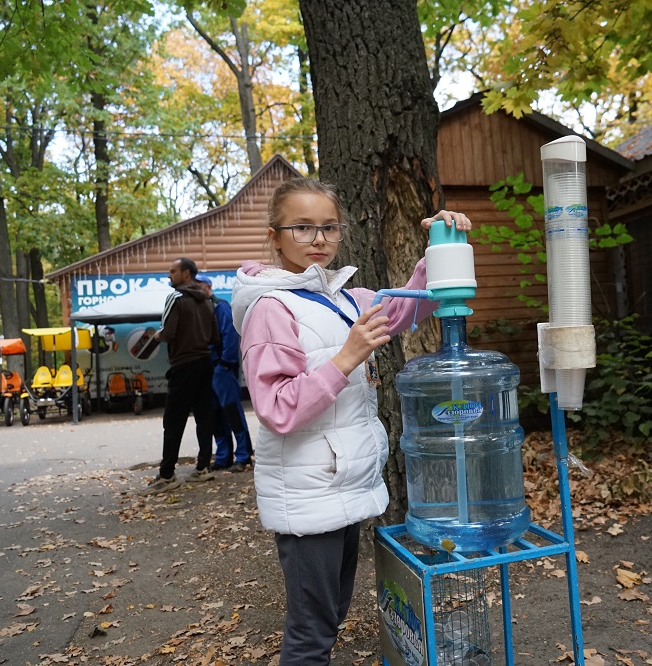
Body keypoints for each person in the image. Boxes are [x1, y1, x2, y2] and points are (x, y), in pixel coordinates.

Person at [230, 177, 471, 665]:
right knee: (311, 633)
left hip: (343, 485)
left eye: (329, 227)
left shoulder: (346, 298)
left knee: (331, 615)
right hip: (308, 497)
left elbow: (406, 306)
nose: (318, 239)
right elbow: (277, 408)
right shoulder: (270, 309)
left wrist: (440, 246)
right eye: (302, 227)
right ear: (275, 236)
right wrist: (346, 358)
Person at [140, 257, 221, 496]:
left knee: (173, 420)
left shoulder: (175, 298)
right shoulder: (208, 301)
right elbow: (215, 337)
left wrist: (157, 336)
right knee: (204, 416)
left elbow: (168, 332)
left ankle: (167, 476)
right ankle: (203, 467)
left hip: (183, 365)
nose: (169, 275)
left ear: (186, 274)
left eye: (172, 271)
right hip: (205, 363)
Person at [195, 274, 254, 473]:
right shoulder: (200, 308)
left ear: (207, 286)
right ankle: (223, 456)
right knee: (214, 414)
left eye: (198, 285)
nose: (196, 288)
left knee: (231, 411)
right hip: (207, 369)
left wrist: (226, 363)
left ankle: (244, 456)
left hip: (222, 368)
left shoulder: (220, 307)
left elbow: (230, 334)